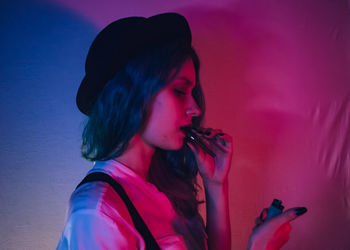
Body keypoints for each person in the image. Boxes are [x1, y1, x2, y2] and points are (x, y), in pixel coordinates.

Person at [57, 12, 307, 250]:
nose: (196, 109)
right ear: (132, 97)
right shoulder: (99, 212)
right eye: (179, 91)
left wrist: (216, 184)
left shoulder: (159, 182)